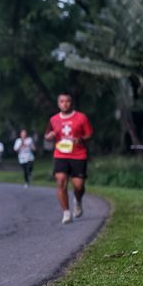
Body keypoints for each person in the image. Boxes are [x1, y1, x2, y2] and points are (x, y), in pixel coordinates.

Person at [44, 92, 93, 224]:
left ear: (71, 103)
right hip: (60, 154)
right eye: (62, 101)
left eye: (67, 101)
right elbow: (47, 135)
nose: (64, 104)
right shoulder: (53, 119)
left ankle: (78, 200)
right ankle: (66, 213)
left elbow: (89, 134)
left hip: (78, 155)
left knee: (78, 186)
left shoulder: (81, 117)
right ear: (58, 103)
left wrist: (80, 139)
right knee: (61, 181)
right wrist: (49, 136)